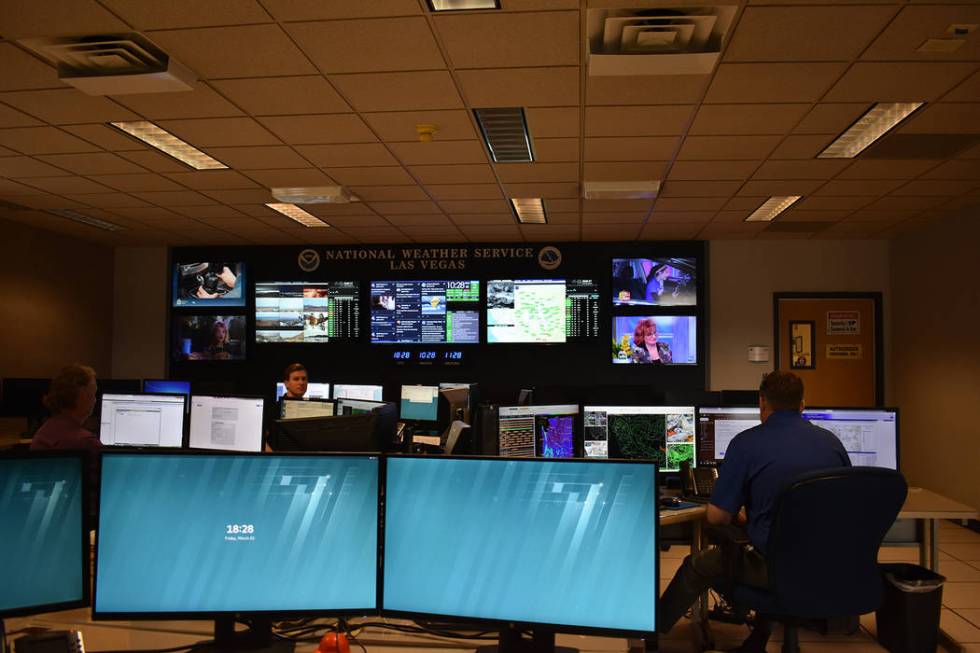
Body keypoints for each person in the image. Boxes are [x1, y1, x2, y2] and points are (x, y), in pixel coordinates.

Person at [657, 371, 851, 644]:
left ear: (762, 403)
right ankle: (760, 635)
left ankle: (651, 634)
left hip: (774, 568)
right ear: (802, 404)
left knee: (698, 565)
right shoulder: (833, 444)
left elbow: (716, 516)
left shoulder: (747, 444)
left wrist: (742, 514)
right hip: (829, 565)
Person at [31, 364, 101, 453]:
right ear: (82, 395)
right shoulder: (88, 443)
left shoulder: (44, 431)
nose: (95, 400)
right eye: (93, 393)